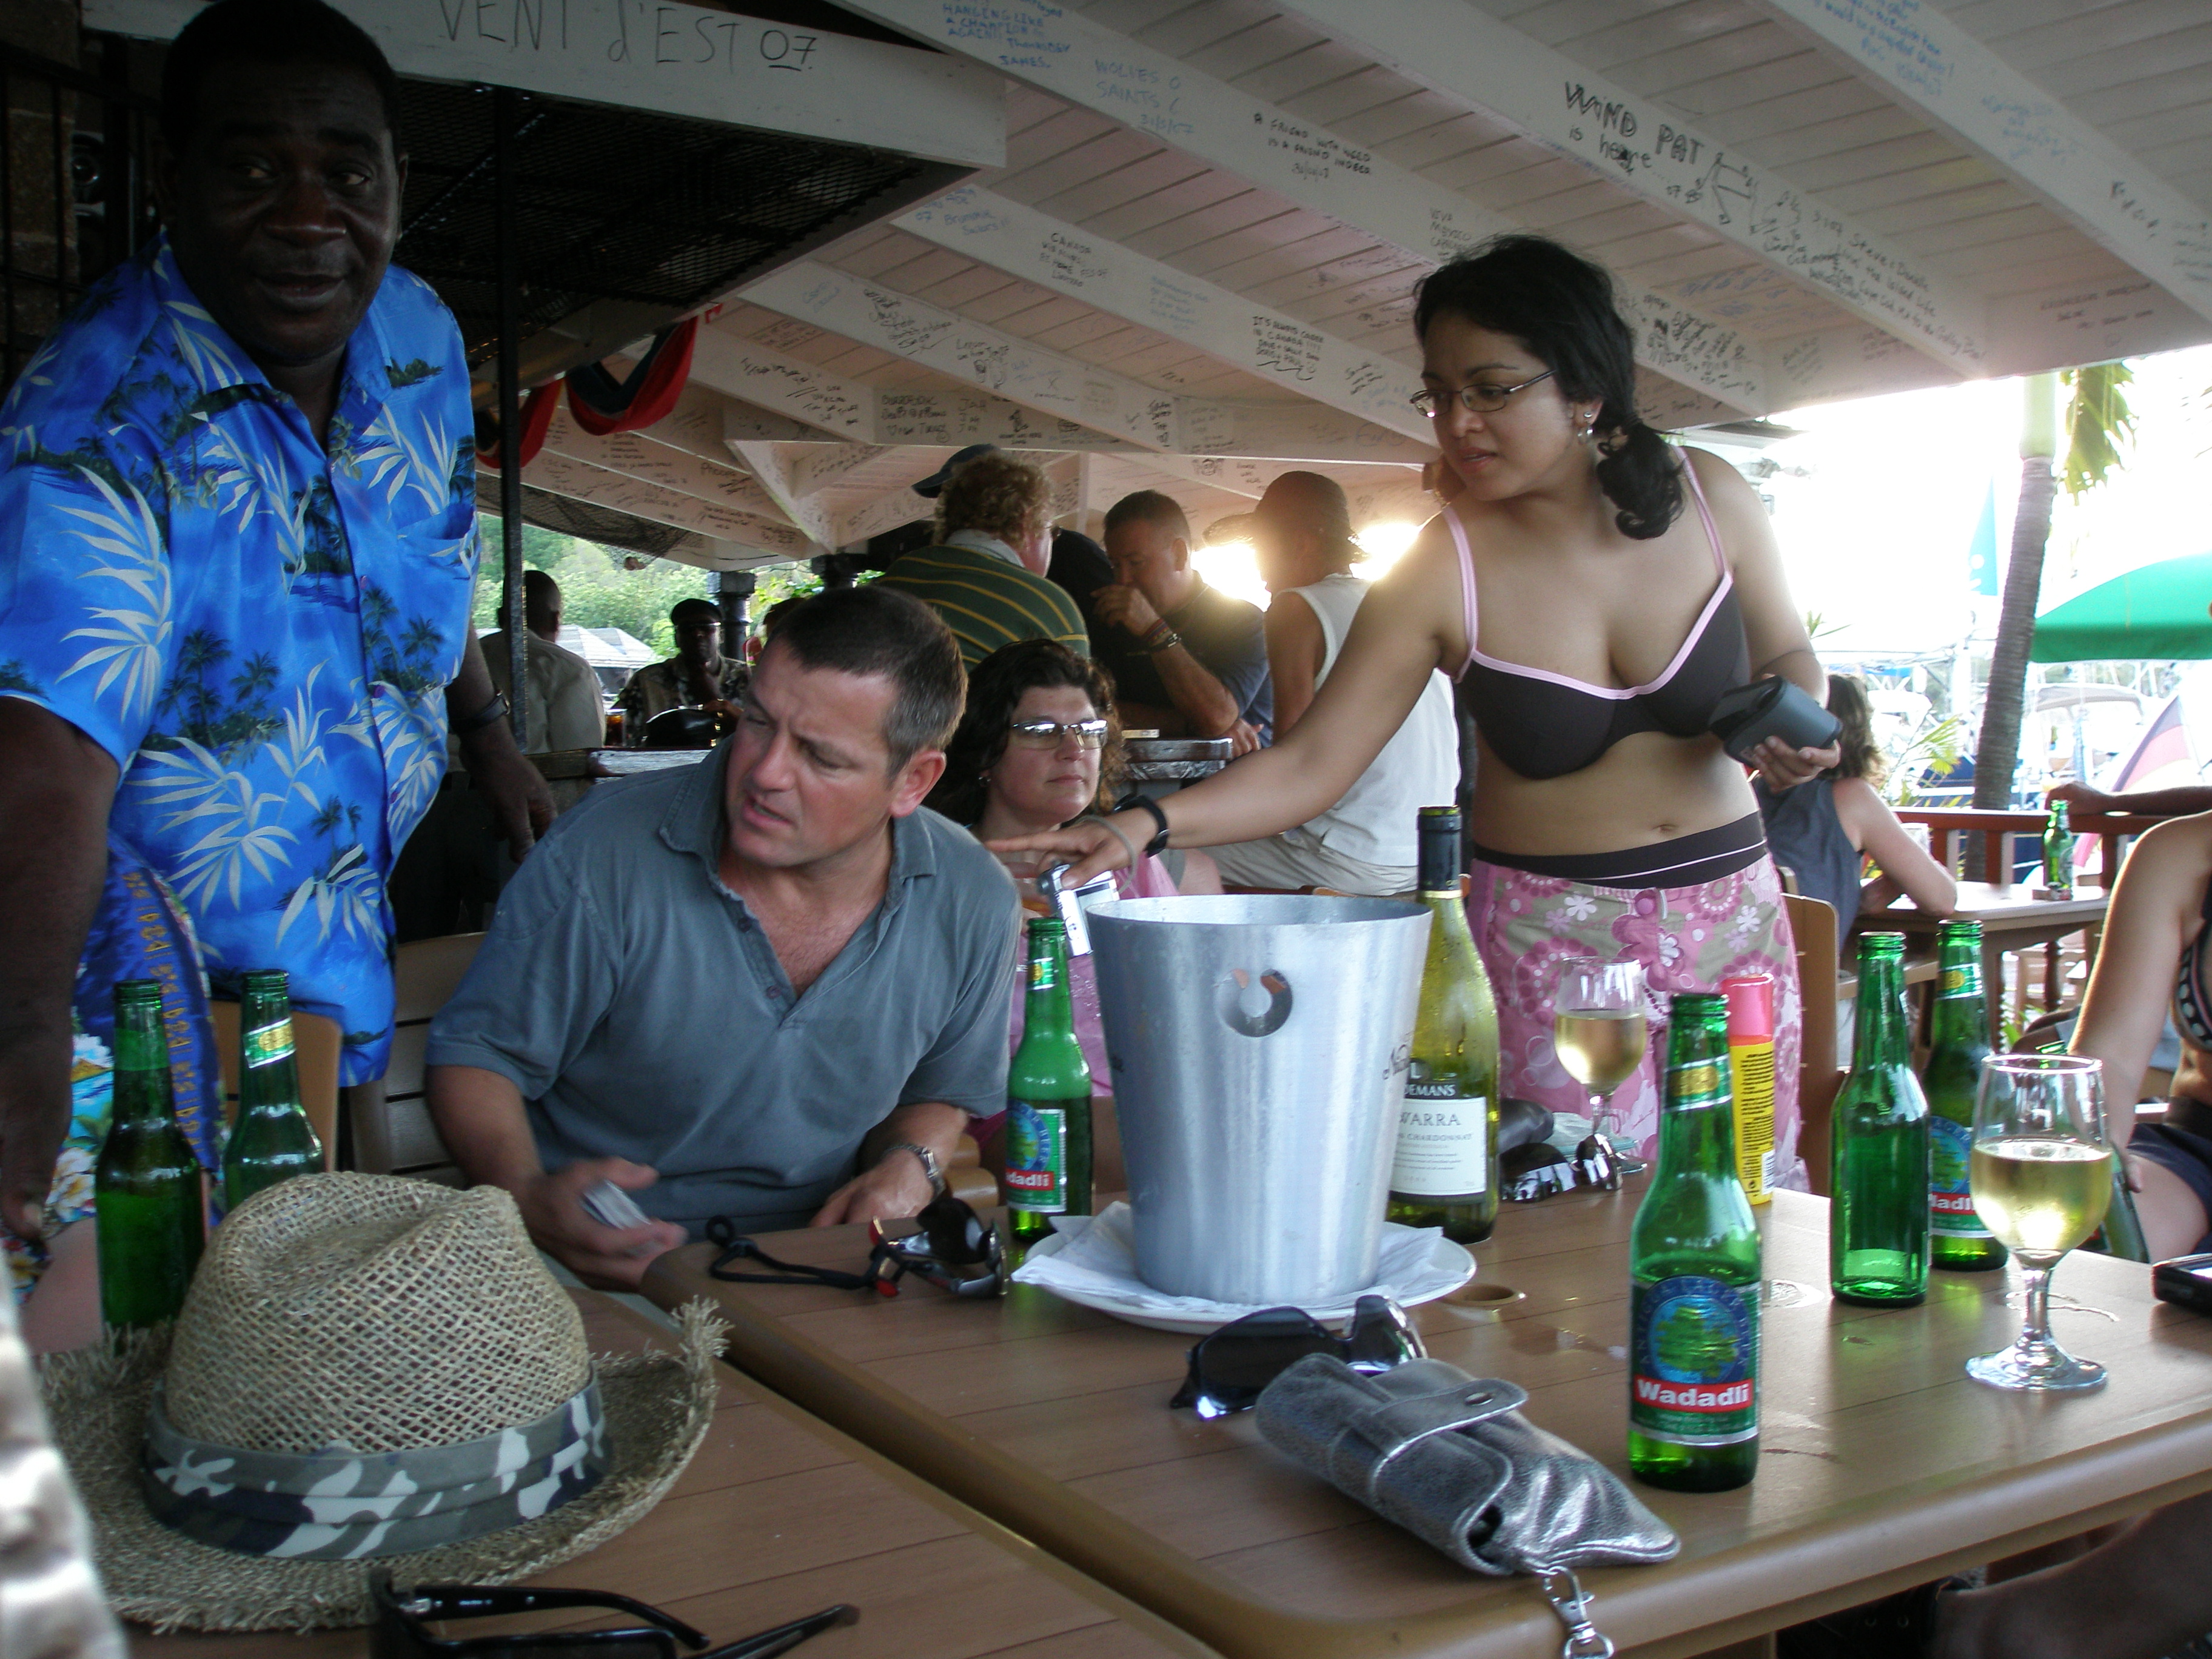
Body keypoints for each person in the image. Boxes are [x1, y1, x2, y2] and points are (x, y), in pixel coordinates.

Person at [997, 235, 1837, 1173]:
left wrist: (1804, 714)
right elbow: (1313, 763)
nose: (1458, 423)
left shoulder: (1709, 496)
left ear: (1585, 390)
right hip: (1551, 947)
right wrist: (1142, 826)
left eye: (1491, 390)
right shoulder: (1444, 566)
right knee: (1573, 1216)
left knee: (1750, 1187)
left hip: (1734, 921)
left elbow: (1791, 652)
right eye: (1439, 395)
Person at [0, 0, 552, 1341]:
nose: (309, 218)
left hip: (350, 949)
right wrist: (17, 1057)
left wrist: (487, 736)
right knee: (198, 1359)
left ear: (397, 182)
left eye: (346, 173)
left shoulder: (417, 339)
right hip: (174, 1020)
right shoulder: (94, 424)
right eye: (253, 169)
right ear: (171, 178)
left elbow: (429, 559)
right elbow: (45, 755)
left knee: (323, 1340)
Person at [423, 587, 1019, 1289]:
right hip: (595, 1272)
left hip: (826, 1269)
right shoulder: (605, 852)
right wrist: (525, 1196)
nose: (765, 773)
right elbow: (479, 1056)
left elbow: (942, 1092)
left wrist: (910, 1167)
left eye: (820, 757)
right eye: (757, 722)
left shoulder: (972, 897)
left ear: (913, 781)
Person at [924, 639, 1218, 1167]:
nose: (1073, 749)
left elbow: (1187, 1001)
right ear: (987, 751)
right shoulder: (944, 873)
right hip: (1017, 1112)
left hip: (1147, 1095)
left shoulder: (1128, 863)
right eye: (1041, 731)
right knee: (1190, 1139)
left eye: (1088, 730)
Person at [1207, 472, 1457, 896]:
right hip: (1426, 854)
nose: (1260, 570)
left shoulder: (1296, 607)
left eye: (1263, 550)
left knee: (1163, 856)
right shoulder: (1393, 603)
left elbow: (1289, 774)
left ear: (1302, 544)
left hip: (1350, 858)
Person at [1755, 674, 1954, 950]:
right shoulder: (1852, 797)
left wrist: (1871, 894)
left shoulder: (1752, 791)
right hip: (1807, 975)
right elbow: (1942, 900)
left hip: (1742, 965)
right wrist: (1902, 876)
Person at [875, 451, 1090, 669]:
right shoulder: (1049, 606)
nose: (1052, 541)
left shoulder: (900, 574)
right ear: (1026, 521)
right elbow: (1078, 690)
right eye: (1051, 531)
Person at [1096, 491, 1272, 754]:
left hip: (1235, 777)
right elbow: (1094, 709)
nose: (1123, 580)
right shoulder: (1112, 620)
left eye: (1136, 563)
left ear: (1179, 554)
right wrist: (1187, 725)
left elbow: (1215, 716)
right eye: (1115, 565)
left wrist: (1154, 630)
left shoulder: (1243, 621)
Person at [481, 570, 606, 753]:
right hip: (532, 772)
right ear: (555, 620)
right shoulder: (569, 668)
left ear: (501, 617)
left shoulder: (463, 662)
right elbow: (582, 754)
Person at [618, 596, 747, 731]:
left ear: (721, 635)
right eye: (687, 628)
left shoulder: (747, 676)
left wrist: (719, 702)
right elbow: (618, 730)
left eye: (706, 627)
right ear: (676, 638)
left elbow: (761, 732)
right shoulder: (647, 681)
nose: (697, 634)